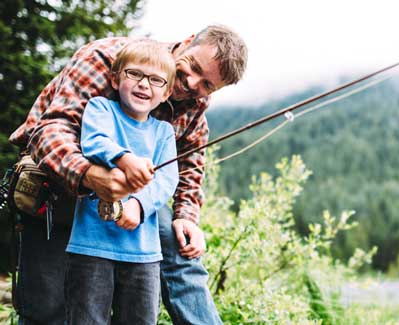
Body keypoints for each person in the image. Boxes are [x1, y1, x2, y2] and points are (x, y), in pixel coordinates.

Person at [9, 25, 248, 324]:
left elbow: (191, 159)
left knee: (183, 253)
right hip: (61, 183)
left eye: (207, 85)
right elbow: (50, 131)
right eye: (193, 68)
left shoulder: (196, 101)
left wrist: (186, 214)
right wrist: (91, 174)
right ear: (186, 43)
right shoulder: (106, 58)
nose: (191, 83)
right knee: (47, 307)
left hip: (136, 195)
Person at [65, 39, 179, 324]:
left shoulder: (164, 132)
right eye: (134, 74)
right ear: (116, 79)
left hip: (144, 254)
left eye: (155, 80)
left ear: (166, 93)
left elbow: (168, 179)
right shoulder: (101, 108)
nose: (144, 84)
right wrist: (124, 159)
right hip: (90, 247)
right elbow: (94, 142)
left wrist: (139, 206)